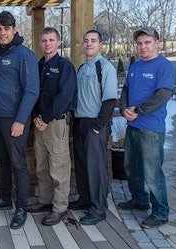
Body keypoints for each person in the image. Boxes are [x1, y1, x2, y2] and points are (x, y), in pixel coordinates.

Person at [0, 11, 39, 230]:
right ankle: (4, 198)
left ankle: (21, 208)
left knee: (18, 164)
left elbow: (32, 91)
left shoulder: (24, 55)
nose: (2, 33)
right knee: (1, 161)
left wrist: (21, 120)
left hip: (14, 121)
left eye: (6, 29)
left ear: (14, 29)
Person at [117, 27, 174, 229]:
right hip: (133, 125)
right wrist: (124, 108)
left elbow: (163, 95)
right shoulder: (136, 66)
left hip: (151, 128)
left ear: (157, 43)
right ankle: (140, 200)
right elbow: (126, 89)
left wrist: (138, 110)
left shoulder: (163, 66)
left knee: (152, 172)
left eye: (147, 42)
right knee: (132, 167)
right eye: (140, 43)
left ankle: (160, 212)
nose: (143, 47)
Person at [28, 27, 77, 226]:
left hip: (55, 123)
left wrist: (45, 119)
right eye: (44, 40)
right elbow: (31, 93)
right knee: (41, 165)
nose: (47, 44)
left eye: (51, 40)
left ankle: (59, 208)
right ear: (40, 43)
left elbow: (64, 97)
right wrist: (34, 118)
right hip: (38, 123)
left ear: (58, 42)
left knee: (59, 167)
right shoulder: (37, 66)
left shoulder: (65, 66)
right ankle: (45, 200)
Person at [70, 30, 117, 225]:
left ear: (101, 45)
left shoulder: (105, 67)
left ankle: (98, 208)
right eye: (86, 40)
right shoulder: (82, 67)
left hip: (94, 124)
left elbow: (110, 100)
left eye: (93, 41)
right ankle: (85, 199)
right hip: (80, 122)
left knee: (95, 167)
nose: (89, 44)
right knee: (81, 165)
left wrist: (98, 126)